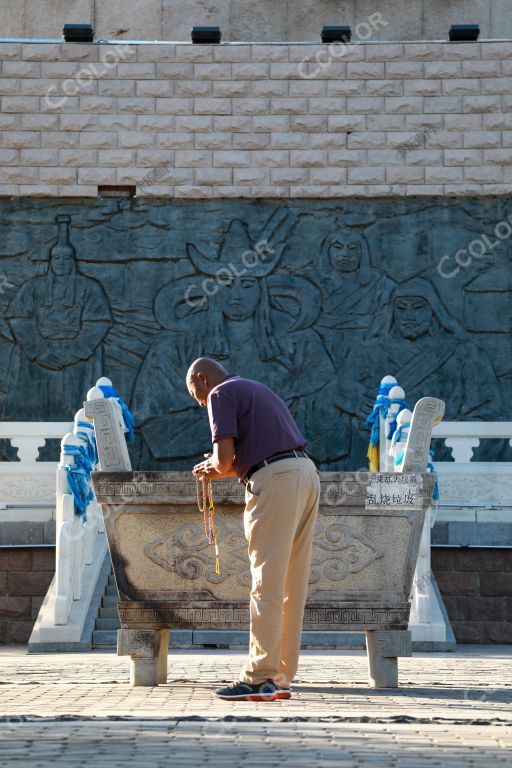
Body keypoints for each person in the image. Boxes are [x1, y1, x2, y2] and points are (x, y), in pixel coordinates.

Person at [187, 357, 320, 702]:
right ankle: (280, 675)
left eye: (196, 395)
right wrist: (221, 466)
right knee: (291, 583)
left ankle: (259, 677)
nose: (200, 402)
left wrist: (210, 468)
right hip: (304, 474)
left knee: (267, 581)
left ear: (202, 379)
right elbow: (247, 455)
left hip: (275, 480)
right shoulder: (254, 387)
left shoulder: (220, 394)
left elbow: (225, 460)